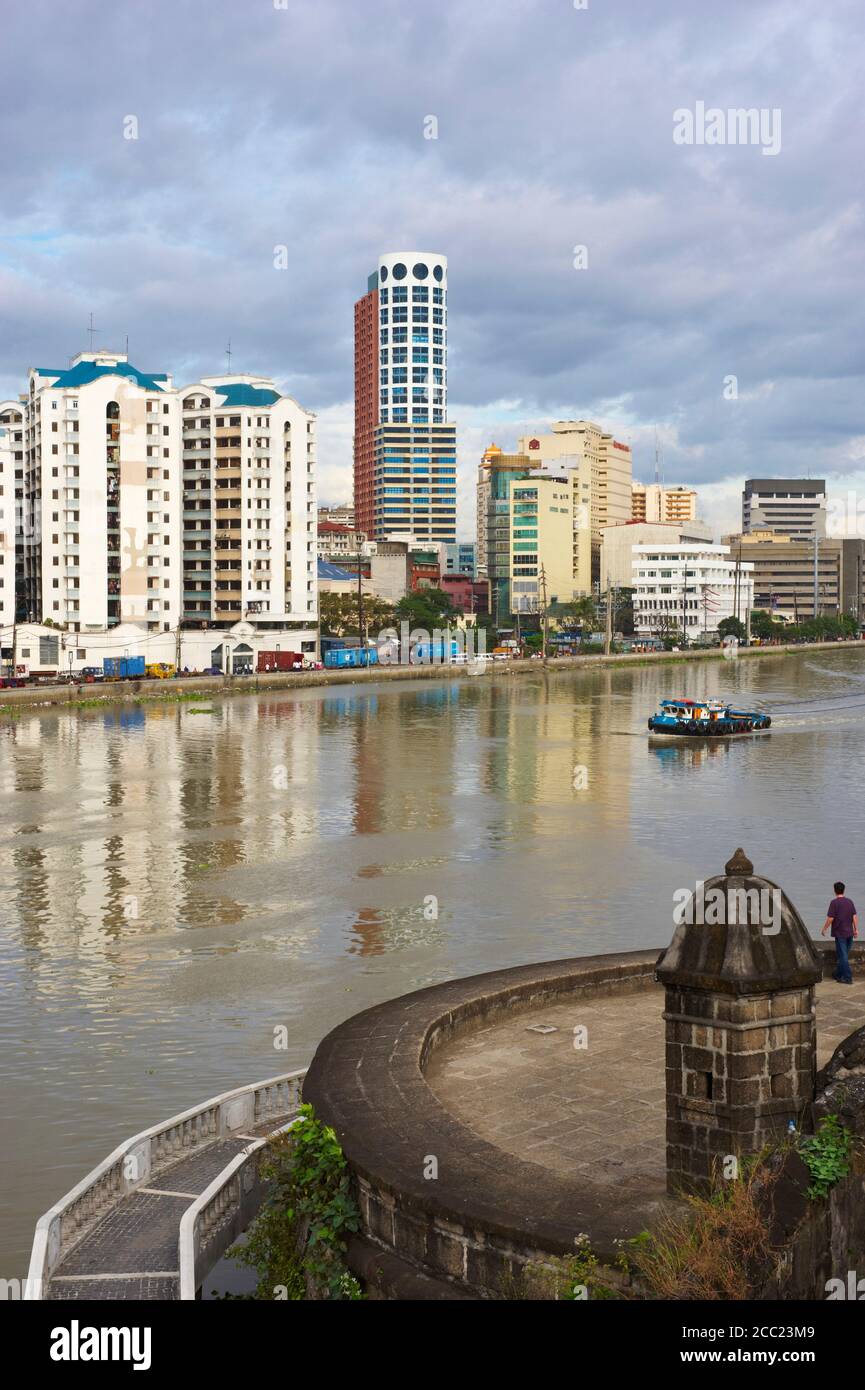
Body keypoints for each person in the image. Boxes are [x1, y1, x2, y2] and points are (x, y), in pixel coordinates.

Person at [821, 881, 858, 985]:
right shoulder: (850, 902)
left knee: (843, 956)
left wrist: (824, 929)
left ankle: (847, 977)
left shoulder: (834, 903)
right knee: (843, 955)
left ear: (835, 890)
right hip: (849, 933)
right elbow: (854, 916)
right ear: (843, 890)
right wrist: (856, 929)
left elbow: (831, 918)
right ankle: (838, 974)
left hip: (840, 933)